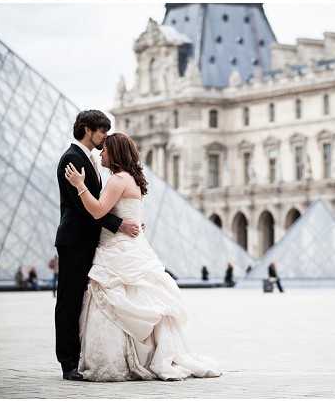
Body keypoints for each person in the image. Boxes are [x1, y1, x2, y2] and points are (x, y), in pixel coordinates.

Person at [64, 130, 221, 382]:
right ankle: (146, 355)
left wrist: (80, 185)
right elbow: (135, 215)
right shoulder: (134, 180)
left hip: (116, 249)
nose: (102, 152)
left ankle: (122, 359)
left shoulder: (117, 180)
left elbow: (97, 212)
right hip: (133, 247)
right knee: (140, 298)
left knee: (115, 299)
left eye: (105, 149)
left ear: (114, 152)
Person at [54, 110, 142, 381]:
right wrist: (119, 225)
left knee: (80, 300)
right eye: (102, 130)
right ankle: (67, 362)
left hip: (87, 240)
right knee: (69, 300)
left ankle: (77, 356)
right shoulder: (72, 158)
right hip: (75, 240)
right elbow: (85, 208)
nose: (105, 136)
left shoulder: (88, 158)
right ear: (85, 129)